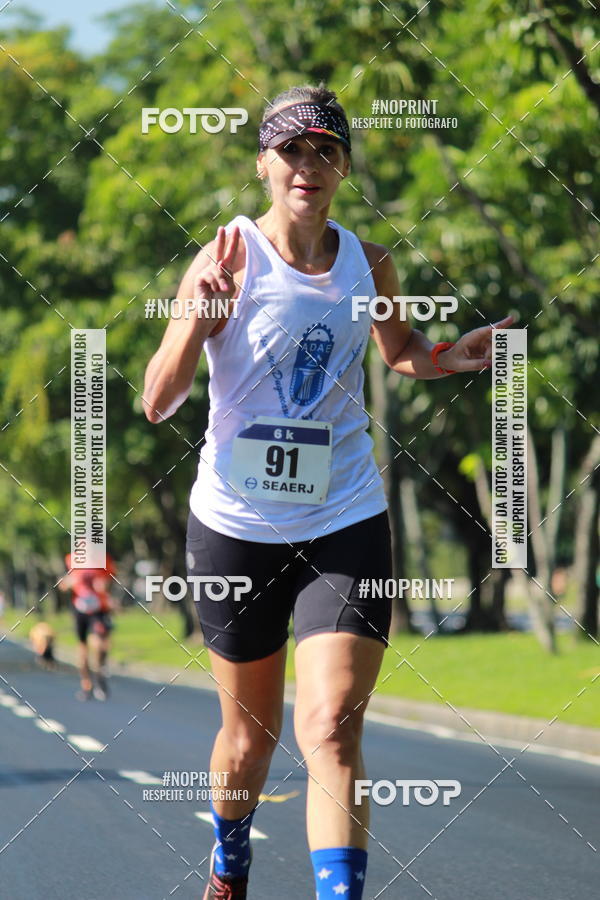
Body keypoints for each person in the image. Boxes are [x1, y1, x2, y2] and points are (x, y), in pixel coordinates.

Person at [143, 83, 513, 900]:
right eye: (292, 149)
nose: (308, 164)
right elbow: (156, 399)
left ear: (344, 165)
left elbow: (401, 346)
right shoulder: (225, 258)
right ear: (264, 164)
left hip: (344, 518)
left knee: (330, 730)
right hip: (235, 527)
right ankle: (230, 855)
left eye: (326, 149)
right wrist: (194, 323)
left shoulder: (367, 260)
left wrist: (452, 356)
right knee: (249, 739)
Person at [58, 549, 116, 701]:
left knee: (99, 645)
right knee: (82, 648)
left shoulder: (103, 558)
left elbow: (110, 580)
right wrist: (69, 583)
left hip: (99, 609)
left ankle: (100, 677)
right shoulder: (71, 559)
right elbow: (63, 583)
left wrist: (103, 587)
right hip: (80, 609)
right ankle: (86, 685)